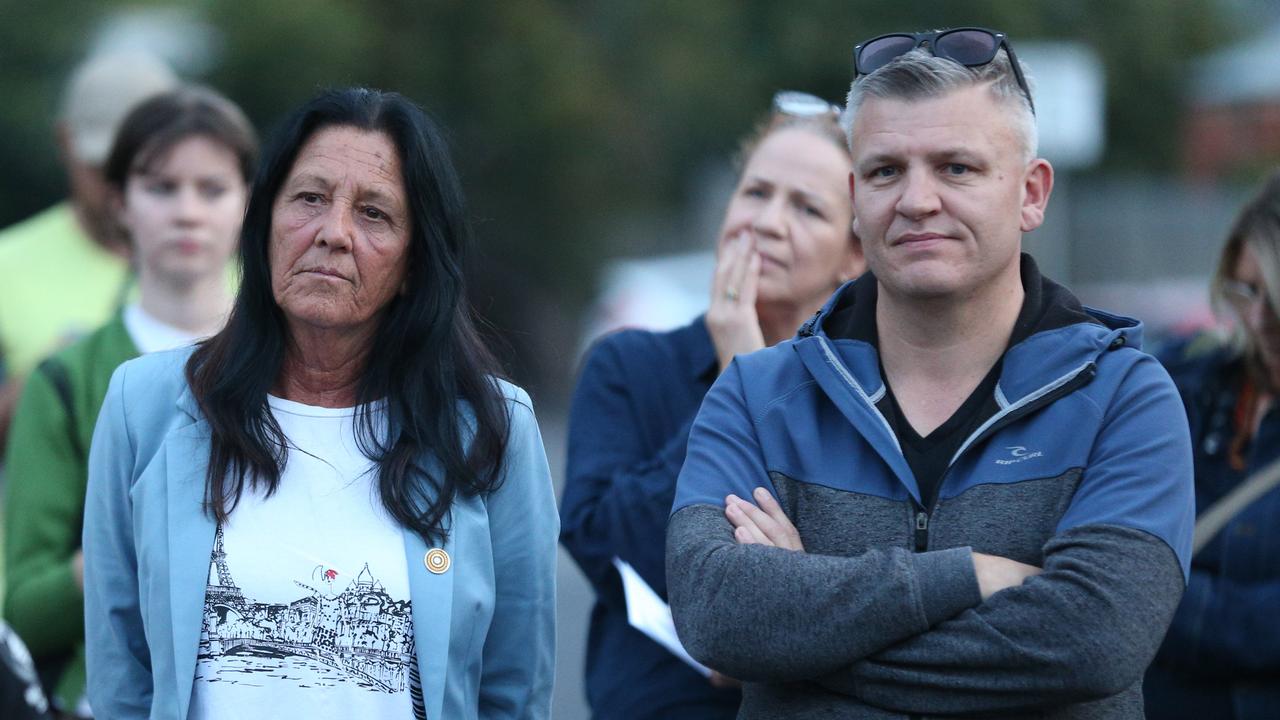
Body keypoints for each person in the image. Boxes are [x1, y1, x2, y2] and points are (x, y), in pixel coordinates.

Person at [666, 27, 1195, 718]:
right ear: (856, 199)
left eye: (957, 168)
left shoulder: (1127, 397)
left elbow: (1093, 641)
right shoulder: (757, 394)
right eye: (887, 171)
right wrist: (965, 578)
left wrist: (805, 631)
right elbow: (715, 616)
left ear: (1032, 194)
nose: (917, 200)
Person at [82, 87, 557, 720]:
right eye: (309, 199)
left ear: (414, 262)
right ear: (264, 221)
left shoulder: (489, 426)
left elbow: (514, 689)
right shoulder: (146, 406)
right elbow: (122, 677)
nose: (332, 234)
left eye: (375, 214)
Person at [560, 91, 865, 719]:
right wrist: (738, 375)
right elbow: (606, 543)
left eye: (806, 208)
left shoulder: (865, 393)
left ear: (853, 255)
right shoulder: (631, 365)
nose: (768, 222)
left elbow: (861, 584)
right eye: (756, 193)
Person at [3, 85, 257, 718]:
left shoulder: (305, 365)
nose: (188, 212)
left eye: (213, 188)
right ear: (119, 202)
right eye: (161, 187)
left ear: (251, 201)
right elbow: (20, 613)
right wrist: (121, 550)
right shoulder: (65, 379)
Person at [1143, 172, 1280, 719]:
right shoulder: (1185, 381)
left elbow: (1264, 629)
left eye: (1278, 297)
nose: (1259, 320)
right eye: (1248, 291)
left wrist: (1135, 596)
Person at [0, 51, 177, 454]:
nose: (120, 186)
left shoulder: (237, 268)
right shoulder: (4, 264)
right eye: (103, 166)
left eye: (141, 167)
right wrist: (45, 385)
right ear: (65, 141)